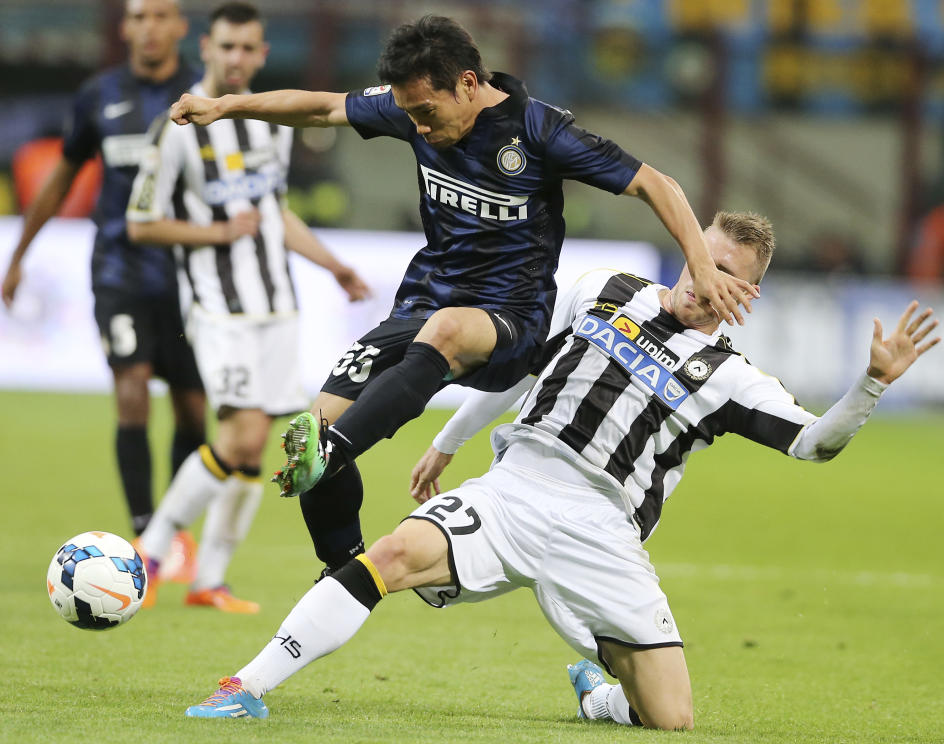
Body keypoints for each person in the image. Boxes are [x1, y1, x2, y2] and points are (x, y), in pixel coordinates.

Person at [179, 210, 939, 726]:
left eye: (726, 269)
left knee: (670, 717)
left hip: (604, 532)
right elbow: (515, 373)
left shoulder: (733, 379)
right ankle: (246, 685)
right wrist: (449, 439)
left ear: (747, 293)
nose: (703, 270)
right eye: (701, 252)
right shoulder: (604, 290)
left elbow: (814, 445)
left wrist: (870, 383)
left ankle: (599, 697)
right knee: (392, 554)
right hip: (518, 487)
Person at [168, 14, 760, 579]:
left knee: (441, 336)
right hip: (423, 304)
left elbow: (657, 183)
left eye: (426, 113)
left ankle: (336, 449)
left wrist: (701, 266)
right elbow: (323, 107)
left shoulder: (538, 130)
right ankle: (341, 570)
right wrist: (225, 106)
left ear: (468, 84)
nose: (419, 128)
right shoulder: (413, 106)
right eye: (409, 115)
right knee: (313, 430)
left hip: (510, 319)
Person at [126, 2, 370, 613]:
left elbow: (273, 214)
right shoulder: (176, 125)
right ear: (206, 48)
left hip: (278, 309)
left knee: (256, 450)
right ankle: (150, 555)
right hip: (218, 309)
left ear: (262, 54)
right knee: (240, 435)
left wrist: (333, 265)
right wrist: (216, 235)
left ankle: (209, 579)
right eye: (226, 47)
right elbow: (141, 222)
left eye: (248, 49)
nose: (236, 58)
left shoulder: (270, 125)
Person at [2, 0, 202, 574]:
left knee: (193, 411)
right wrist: (18, 255)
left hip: (190, 278)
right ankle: (146, 534)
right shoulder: (98, 95)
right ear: (126, 28)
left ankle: (174, 527)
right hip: (119, 272)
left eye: (161, 15)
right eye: (139, 17)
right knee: (132, 388)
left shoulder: (201, 92)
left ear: (180, 27)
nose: (149, 27)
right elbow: (62, 175)